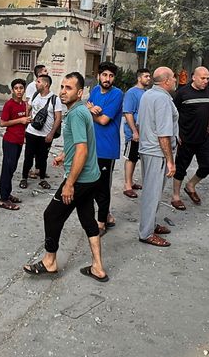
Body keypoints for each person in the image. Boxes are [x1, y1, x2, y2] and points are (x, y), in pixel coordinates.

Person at [22, 72, 108, 283]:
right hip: (91, 178)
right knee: (88, 219)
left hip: (79, 180)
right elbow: (80, 144)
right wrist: (63, 155)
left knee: (51, 215)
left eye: (68, 88)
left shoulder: (77, 114)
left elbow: (82, 151)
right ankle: (98, 267)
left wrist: (69, 184)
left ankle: (50, 261)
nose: (63, 91)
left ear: (79, 93)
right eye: (62, 86)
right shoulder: (79, 111)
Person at [136, 67, 179, 247]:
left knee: (152, 190)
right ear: (167, 80)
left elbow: (141, 123)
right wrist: (170, 160)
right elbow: (163, 133)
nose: (176, 80)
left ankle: (151, 224)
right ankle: (146, 233)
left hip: (148, 148)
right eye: (174, 78)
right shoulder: (161, 99)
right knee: (152, 193)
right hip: (157, 152)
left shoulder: (148, 95)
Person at [86, 62, 123, 232]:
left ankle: (101, 222)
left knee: (102, 187)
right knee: (91, 184)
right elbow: (87, 107)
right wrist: (91, 108)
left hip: (107, 148)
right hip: (91, 146)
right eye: (104, 75)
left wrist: (91, 110)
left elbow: (103, 120)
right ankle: (106, 213)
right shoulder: (94, 90)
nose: (107, 79)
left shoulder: (117, 94)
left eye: (111, 76)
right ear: (99, 76)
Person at [171, 66, 209, 209]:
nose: (206, 81)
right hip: (186, 137)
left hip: (203, 137)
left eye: (208, 78)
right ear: (194, 77)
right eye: (203, 78)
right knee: (180, 168)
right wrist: (176, 134)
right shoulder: (182, 93)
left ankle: (191, 185)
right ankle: (175, 196)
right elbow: (172, 114)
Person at [21, 74, 65, 190]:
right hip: (31, 132)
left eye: (38, 81)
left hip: (45, 135)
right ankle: (24, 178)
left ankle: (42, 179)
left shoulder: (55, 99)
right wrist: (27, 119)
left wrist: (51, 134)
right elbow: (28, 107)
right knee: (28, 156)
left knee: (42, 158)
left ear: (46, 84)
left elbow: (58, 118)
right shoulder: (35, 95)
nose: (36, 83)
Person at [0, 78, 31, 210]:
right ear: (13, 90)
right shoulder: (9, 104)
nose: (19, 91)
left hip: (19, 141)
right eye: (16, 88)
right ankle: (3, 199)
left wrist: (27, 120)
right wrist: (20, 120)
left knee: (12, 169)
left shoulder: (24, 104)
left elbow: (23, 122)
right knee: (7, 169)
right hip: (9, 141)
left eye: (21, 88)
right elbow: (2, 123)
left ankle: (7, 194)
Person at [122, 68, 151, 199]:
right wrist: (134, 131)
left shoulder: (146, 92)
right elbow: (128, 113)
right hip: (133, 133)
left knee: (135, 158)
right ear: (139, 78)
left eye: (149, 76)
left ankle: (132, 182)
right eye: (146, 76)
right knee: (131, 157)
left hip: (144, 133)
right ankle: (127, 185)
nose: (148, 78)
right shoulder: (131, 93)